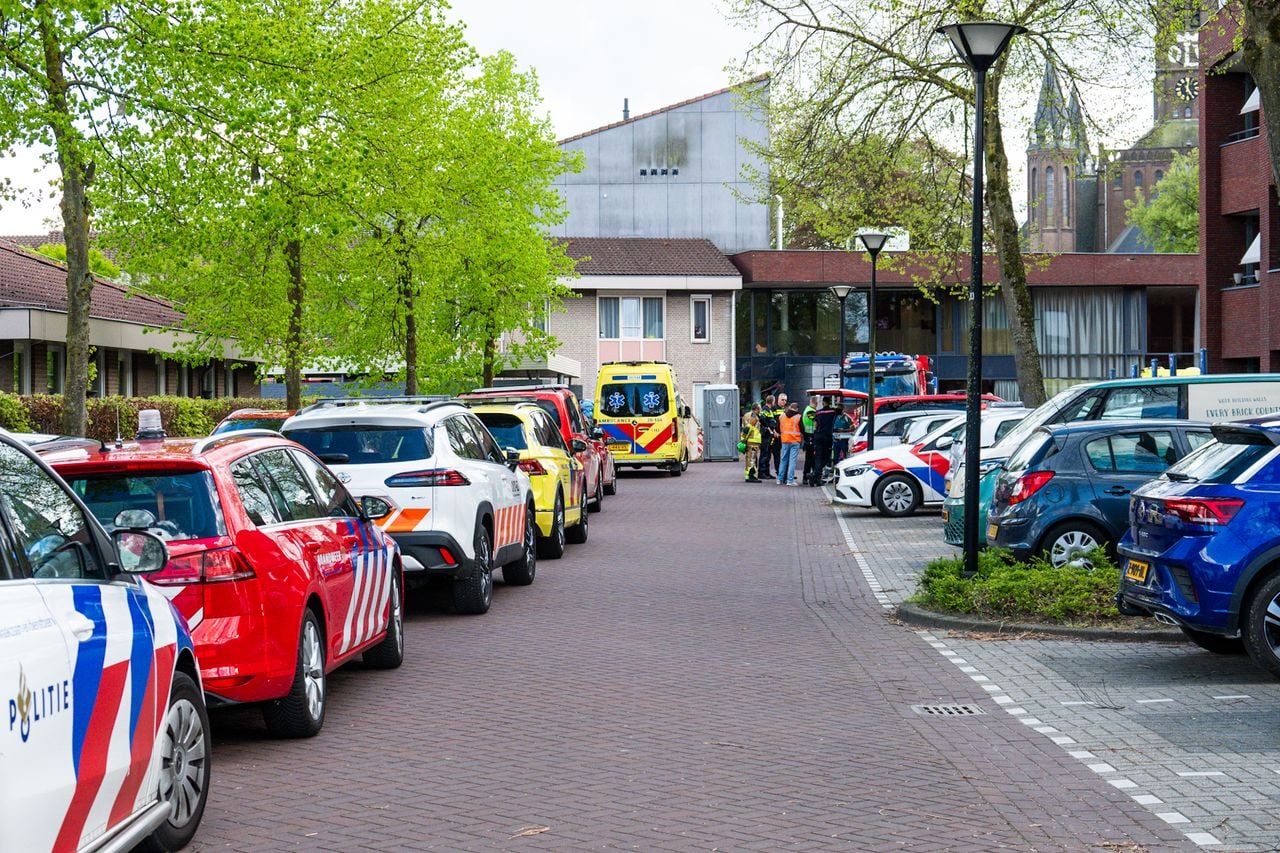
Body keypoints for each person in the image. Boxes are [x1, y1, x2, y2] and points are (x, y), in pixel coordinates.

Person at [811, 396, 840, 486]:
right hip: (827, 437)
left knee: (818, 457)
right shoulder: (833, 411)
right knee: (826, 457)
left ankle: (815, 476)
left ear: (823, 403)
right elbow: (840, 410)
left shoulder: (818, 412)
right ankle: (816, 475)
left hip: (818, 436)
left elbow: (815, 425)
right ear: (830, 403)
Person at [776, 401, 803, 485]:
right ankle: (790, 480)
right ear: (797, 409)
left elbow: (777, 429)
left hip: (784, 440)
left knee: (783, 460)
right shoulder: (798, 417)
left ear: (790, 407)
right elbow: (802, 429)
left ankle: (779, 479)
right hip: (795, 441)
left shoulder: (781, 416)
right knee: (792, 461)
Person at [757, 394, 777, 480]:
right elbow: (762, 419)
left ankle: (767, 472)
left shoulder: (769, 409)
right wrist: (768, 428)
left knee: (768, 454)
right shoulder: (765, 409)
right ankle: (761, 472)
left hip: (769, 435)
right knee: (764, 454)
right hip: (765, 435)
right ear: (772, 401)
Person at [800, 395, 819, 486]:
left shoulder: (807, 410)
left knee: (810, 459)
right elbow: (818, 420)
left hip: (808, 437)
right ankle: (807, 477)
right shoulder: (811, 411)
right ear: (815, 403)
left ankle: (809, 477)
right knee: (810, 459)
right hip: (810, 437)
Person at [741, 405, 762, 482]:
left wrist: (743, 440)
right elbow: (748, 429)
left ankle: (749, 475)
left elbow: (744, 428)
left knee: (749, 458)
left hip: (749, 441)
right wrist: (743, 440)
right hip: (753, 441)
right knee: (752, 458)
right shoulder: (753, 417)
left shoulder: (746, 415)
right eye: (760, 409)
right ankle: (750, 476)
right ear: (756, 409)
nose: (761, 410)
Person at [771, 393, 788, 475]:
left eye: (785, 400)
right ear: (778, 399)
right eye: (782, 400)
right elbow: (771, 421)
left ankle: (785, 471)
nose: (784, 402)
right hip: (776, 435)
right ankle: (779, 471)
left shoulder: (785, 409)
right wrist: (774, 431)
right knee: (776, 454)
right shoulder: (774, 409)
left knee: (785, 454)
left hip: (784, 434)